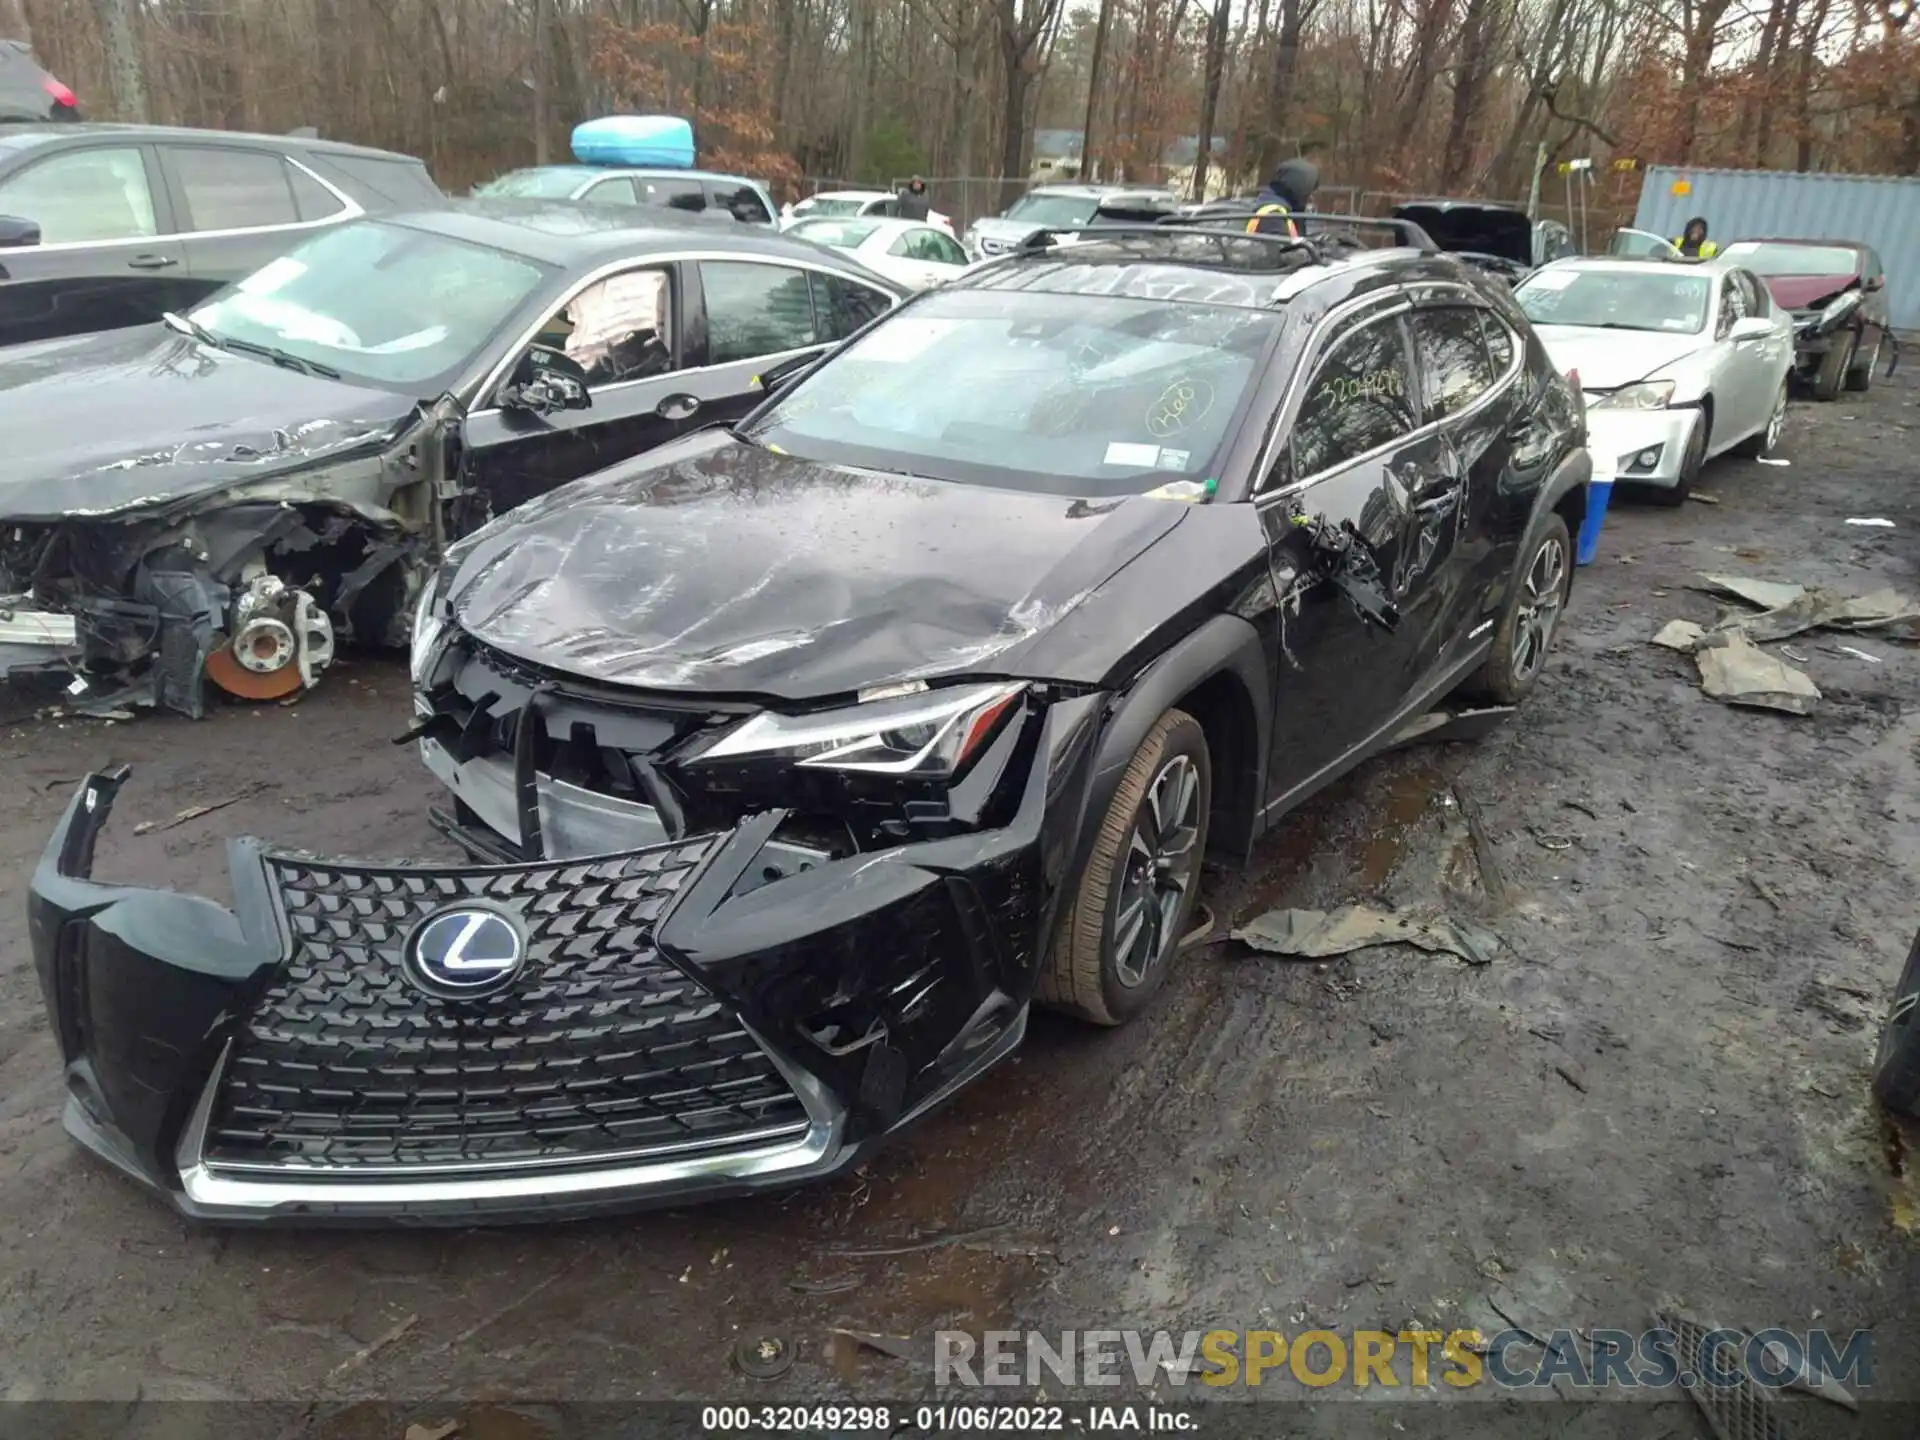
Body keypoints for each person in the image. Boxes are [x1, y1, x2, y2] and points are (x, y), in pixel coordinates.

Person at [1245, 157, 1319, 239]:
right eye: (1309, 192)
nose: (1311, 197)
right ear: (1299, 188)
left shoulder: (1284, 209)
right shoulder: (1273, 216)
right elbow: (1282, 249)